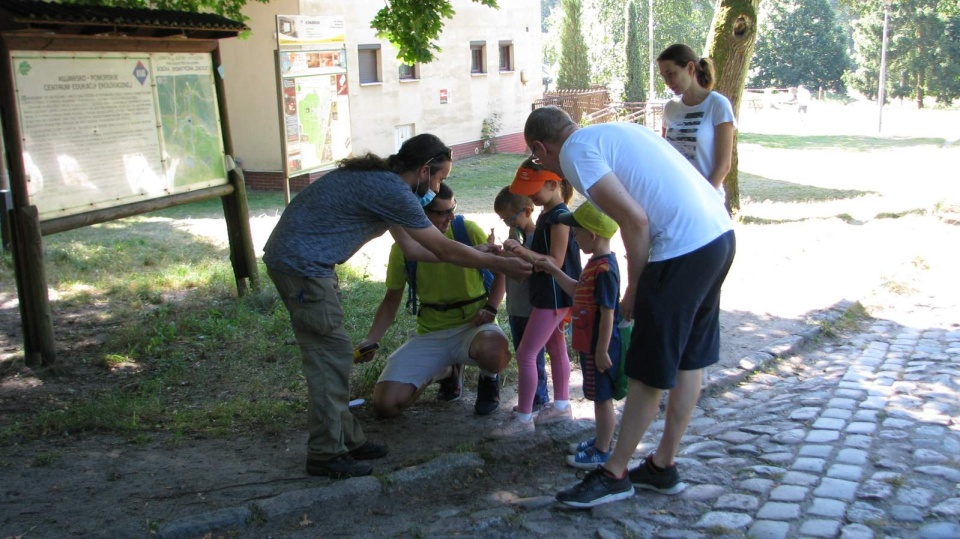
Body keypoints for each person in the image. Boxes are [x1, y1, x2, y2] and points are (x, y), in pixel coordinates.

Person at [262, 134, 531, 480]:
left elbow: (417, 251)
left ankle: (348, 440)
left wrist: (480, 253)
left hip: (304, 265)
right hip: (302, 269)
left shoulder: (383, 186)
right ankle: (326, 454)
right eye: (439, 178)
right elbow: (444, 250)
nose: (439, 186)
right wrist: (502, 265)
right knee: (328, 360)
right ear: (422, 170)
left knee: (334, 355)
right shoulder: (392, 190)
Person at [524, 106, 735, 508]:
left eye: (539, 160)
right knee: (689, 359)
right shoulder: (611, 130)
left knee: (647, 369)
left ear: (540, 147)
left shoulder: (574, 151)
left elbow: (634, 222)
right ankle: (662, 465)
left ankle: (615, 472)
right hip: (718, 235)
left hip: (682, 248)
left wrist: (635, 289)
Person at [361, 183, 508, 418]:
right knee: (385, 404)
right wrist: (372, 339)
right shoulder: (404, 248)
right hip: (431, 332)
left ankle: (488, 379)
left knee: (494, 351)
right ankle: (444, 371)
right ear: (420, 213)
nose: (451, 216)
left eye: (453, 208)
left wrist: (491, 308)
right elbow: (391, 299)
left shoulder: (466, 230)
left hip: (474, 326)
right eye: (442, 212)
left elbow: (500, 270)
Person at [489, 158, 581, 439]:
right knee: (555, 347)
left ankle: (525, 417)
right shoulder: (547, 213)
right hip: (549, 294)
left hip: (553, 296)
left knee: (527, 354)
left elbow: (555, 260)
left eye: (533, 189)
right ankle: (561, 405)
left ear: (554, 184)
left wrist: (520, 251)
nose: (530, 195)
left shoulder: (560, 217)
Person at [536, 202, 622, 470]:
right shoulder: (595, 265)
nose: (574, 236)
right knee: (597, 395)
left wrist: (602, 350)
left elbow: (608, 312)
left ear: (592, 235)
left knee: (602, 398)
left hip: (600, 345)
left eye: (577, 231)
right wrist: (554, 271)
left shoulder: (604, 270)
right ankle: (600, 440)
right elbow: (577, 290)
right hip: (592, 344)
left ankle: (603, 450)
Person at [493, 187, 550, 412]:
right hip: (516, 307)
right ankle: (534, 398)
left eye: (510, 218)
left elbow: (531, 267)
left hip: (530, 309)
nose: (508, 223)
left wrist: (511, 254)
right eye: (503, 219)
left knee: (532, 358)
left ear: (527, 211)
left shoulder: (536, 239)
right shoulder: (517, 237)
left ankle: (539, 399)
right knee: (524, 355)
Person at [657, 44, 736, 202]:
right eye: (663, 76)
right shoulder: (670, 107)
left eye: (671, 73)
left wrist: (701, 198)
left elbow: (724, 165)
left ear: (690, 68)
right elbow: (665, 155)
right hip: (676, 198)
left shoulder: (718, 104)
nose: (667, 82)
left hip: (707, 200)